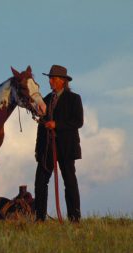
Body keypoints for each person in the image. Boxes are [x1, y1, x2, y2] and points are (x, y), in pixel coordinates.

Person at [34, 65, 83, 222]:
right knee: (40, 182)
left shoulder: (74, 99)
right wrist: (38, 149)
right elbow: (41, 128)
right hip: (47, 148)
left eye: (53, 78)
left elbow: (78, 121)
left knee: (69, 181)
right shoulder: (46, 100)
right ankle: (40, 218)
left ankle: (74, 218)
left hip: (66, 148)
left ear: (62, 81)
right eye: (50, 78)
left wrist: (57, 124)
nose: (50, 81)